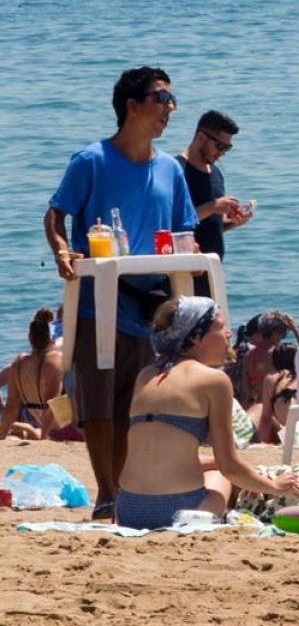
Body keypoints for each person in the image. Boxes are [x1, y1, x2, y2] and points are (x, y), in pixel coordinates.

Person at [45, 66, 198, 519]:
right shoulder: (91, 160)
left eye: (173, 99)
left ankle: (125, 490)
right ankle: (107, 493)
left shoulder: (171, 168)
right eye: (161, 97)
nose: (170, 108)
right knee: (99, 401)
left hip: (153, 307)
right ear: (132, 106)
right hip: (98, 300)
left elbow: (184, 229)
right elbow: (56, 215)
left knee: (138, 402)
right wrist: (61, 251)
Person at [116, 296, 299, 530]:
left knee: (215, 466)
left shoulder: (146, 375)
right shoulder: (214, 380)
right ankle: (207, 517)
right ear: (196, 337)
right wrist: (274, 486)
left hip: (127, 508)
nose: (228, 333)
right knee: (223, 477)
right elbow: (230, 466)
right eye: (220, 326)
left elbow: (165, 452)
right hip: (176, 507)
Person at [176, 110, 253, 297]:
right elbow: (173, 224)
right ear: (201, 137)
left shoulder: (216, 173)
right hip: (184, 277)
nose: (222, 153)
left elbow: (207, 227)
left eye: (227, 148)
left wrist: (230, 223)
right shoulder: (176, 170)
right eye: (219, 146)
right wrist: (213, 207)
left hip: (212, 273)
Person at [0, 308, 64, 440]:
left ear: (30, 338)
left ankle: (26, 430)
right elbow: (51, 406)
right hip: (55, 427)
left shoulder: (18, 363)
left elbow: (11, 406)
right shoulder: (55, 360)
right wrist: (44, 438)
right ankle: (31, 431)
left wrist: (2, 435)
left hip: (31, 418)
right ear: (53, 336)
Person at [240, 312, 299, 410]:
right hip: (278, 409)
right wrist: (295, 329)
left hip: (259, 408)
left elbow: (246, 395)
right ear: (275, 334)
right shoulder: (279, 353)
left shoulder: (248, 357)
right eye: (283, 333)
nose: (282, 337)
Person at [257, 343, 298, 444]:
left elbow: (266, 418)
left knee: (261, 409)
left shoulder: (271, 378)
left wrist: (262, 444)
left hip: (292, 433)